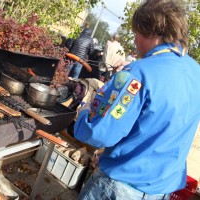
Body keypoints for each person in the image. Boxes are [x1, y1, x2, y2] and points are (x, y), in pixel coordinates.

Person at [74, 0, 200, 199]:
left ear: (151, 31)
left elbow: (99, 133)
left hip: (121, 188)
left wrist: (83, 115)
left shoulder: (138, 74)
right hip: (160, 190)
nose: (135, 42)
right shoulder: (195, 71)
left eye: (136, 35)